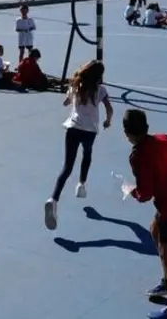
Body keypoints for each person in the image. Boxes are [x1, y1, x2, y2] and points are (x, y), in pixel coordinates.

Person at [124, 109, 167, 319]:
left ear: (127, 132)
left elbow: (145, 194)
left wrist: (131, 191)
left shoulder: (138, 156)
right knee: (154, 231)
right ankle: (166, 281)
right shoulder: (164, 138)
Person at [45, 60, 113, 229]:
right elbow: (109, 109)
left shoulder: (77, 84)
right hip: (90, 130)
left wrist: (68, 100)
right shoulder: (101, 90)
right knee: (87, 154)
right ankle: (82, 184)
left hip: (73, 128)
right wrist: (108, 120)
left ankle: (53, 199)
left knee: (67, 167)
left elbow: (67, 101)